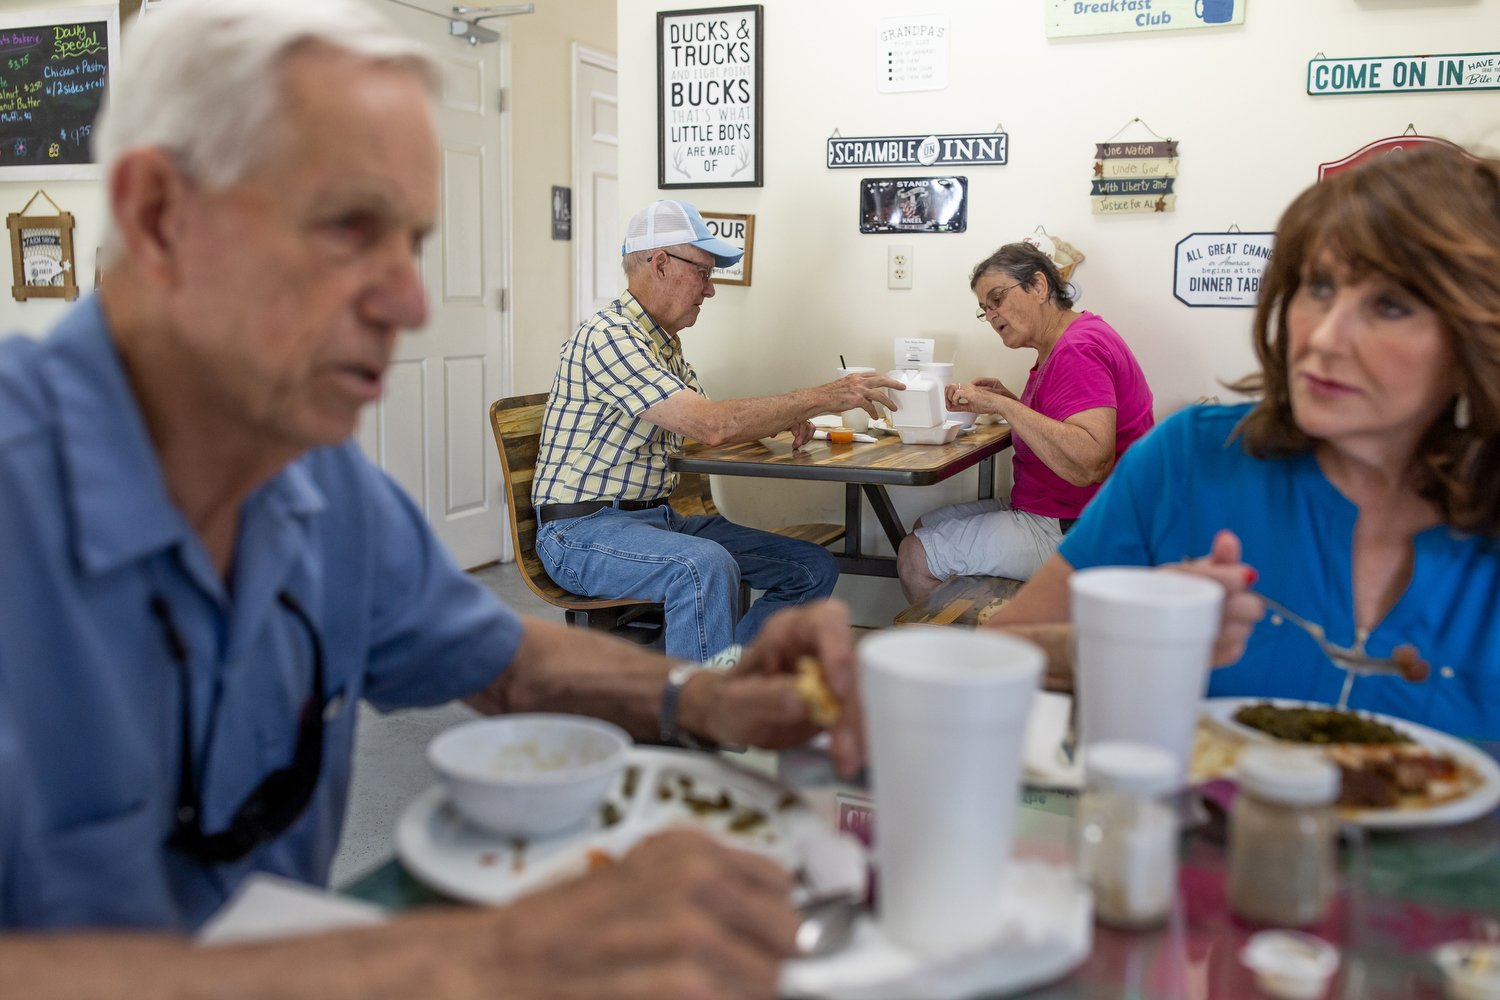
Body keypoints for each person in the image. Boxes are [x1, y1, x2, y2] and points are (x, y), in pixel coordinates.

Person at [0, 2, 867, 995]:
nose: (411, 302)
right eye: (348, 226)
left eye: (412, 240)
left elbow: (498, 658)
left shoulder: (326, 490)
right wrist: (485, 956)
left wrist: (699, 694)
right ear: (159, 215)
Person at [990, 143, 1497, 737]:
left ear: (1477, 334)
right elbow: (1002, 651)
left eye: (1390, 305)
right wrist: (1128, 641)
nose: (1325, 337)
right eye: (1320, 287)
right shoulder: (1191, 463)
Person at [532, 199, 904, 661]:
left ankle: (725, 682)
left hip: (654, 519)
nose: (709, 291)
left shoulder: (662, 343)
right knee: (702, 566)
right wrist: (826, 396)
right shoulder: (609, 336)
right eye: (704, 273)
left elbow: (708, 424)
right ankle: (702, 719)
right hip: (584, 533)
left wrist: (784, 416)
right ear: (660, 263)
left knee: (810, 568)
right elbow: (710, 425)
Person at [896, 243, 1155, 602]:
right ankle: (996, 638)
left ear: (1037, 286)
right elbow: (1062, 427)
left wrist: (1003, 405)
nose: (991, 315)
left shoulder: (1076, 350)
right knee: (925, 527)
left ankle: (976, 653)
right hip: (1060, 511)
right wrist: (1010, 401)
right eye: (984, 309)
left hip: (1077, 529)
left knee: (914, 557)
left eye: (997, 298)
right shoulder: (1064, 344)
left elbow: (1091, 462)